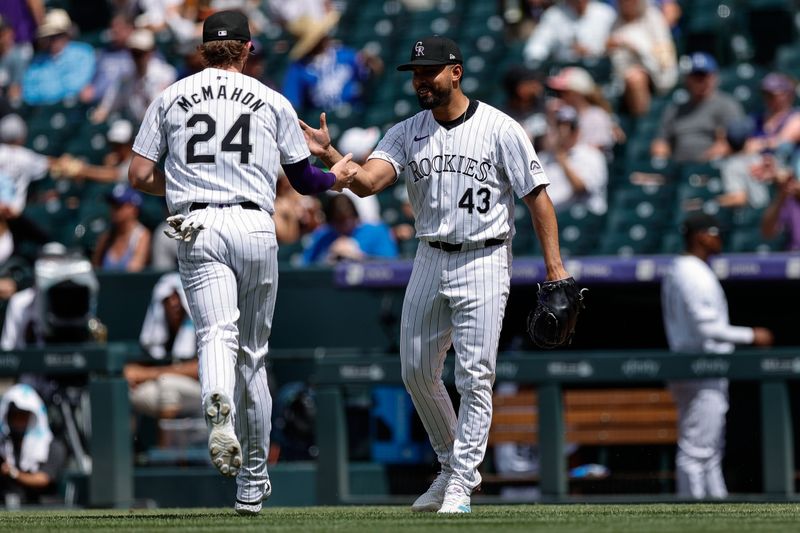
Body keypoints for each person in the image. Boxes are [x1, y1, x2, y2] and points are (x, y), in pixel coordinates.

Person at [300, 35, 571, 513]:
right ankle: (451, 467)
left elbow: (538, 198)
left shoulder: (500, 128)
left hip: (485, 256)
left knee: (474, 375)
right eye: (415, 73)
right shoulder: (407, 131)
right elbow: (366, 184)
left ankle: (462, 483)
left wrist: (555, 269)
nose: (420, 80)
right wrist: (327, 154)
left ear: (456, 72)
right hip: (429, 255)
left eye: (429, 71)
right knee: (415, 370)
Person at [127, 10, 356, 515]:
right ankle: (252, 482)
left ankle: (217, 403)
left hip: (198, 223)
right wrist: (334, 172)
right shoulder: (273, 99)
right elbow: (304, 181)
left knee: (215, 334)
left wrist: (186, 182)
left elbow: (139, 173)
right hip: (255, 225)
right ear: (248, 48)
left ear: (202, 49)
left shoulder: (169, 96)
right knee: (253, 354)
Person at [661, 212, 773, 500]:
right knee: (696, 449)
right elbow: (706, 327)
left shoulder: (685, 269)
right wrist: (752, 335)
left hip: (697, 365)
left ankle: (717, 503)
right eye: (715, 232)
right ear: (700, 236)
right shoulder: (691, 272)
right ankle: (693, 512)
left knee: (708, 447)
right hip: (699, 365)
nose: (719, 237)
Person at [126, 272, 200, 419]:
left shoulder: (199, 330)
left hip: (204, 392)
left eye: (178, 297)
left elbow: (198, 369)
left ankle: (168, 442)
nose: (174, 304)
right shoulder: (157, 334)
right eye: (168, 299)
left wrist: (147, 374)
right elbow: (134, 368)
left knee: (167, 386)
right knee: (129, 391)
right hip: (162, 388)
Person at [281, 11, 383, 114]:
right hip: (323, 119)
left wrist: (370, 62)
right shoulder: (298, 68)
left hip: (354, 110)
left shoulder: (342, 53)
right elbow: (292, 104)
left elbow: (372, 70)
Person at [650, 52, 745, 163]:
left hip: (712, 168)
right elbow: (661, 141)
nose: (701, 81)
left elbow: (733, 144)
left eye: (705, 76)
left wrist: (701, 162)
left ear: (714, 77)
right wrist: (660, 155)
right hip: (678, 170)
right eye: (696, 76)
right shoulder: (675, 109)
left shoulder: (726, 105)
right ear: (688, 79)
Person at [0, 383, 67, 506]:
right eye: (14, 415)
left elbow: (43, 479)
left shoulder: (52, 445)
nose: (18, 421)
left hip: (44, 505)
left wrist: (13, 473)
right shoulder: (4, 445)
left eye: (23, 416)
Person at [607, 0, 678, 116]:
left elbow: (664, 60)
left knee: (635, 78)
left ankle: (642, 126)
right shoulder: (614, 23)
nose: (627, 3)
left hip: (654, 74)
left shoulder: (654, 19)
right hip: (618, 76)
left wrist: (634, 46)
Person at [538, 105, 608, 216]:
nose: (563, 132)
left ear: (578, 130)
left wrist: (562, 160)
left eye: (570, 127)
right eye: (559, 126)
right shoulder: (542, 158)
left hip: (585, 217)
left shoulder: (593, 156)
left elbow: (581, 189)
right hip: (554, 217)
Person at [21, 9, 96, 106]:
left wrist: (49, 91)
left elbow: (80, 83)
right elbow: (28, 93)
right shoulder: (37, 62)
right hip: (44, 111)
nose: (53, 40)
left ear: (67, 34)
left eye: (57, 35)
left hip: (75, 108)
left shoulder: (83, 53)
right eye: (49, 37)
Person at [545, 66, 620, 157]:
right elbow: (550, 147)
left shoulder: (597, 116)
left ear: (577, 93)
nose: (560, 96)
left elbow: (594, 155)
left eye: (564, 92)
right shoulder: (563, 115)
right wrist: (552, 121)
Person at [302, 194, 398, 264]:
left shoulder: (377, 231)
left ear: (356, 217)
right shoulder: (323, 235)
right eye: (338, 221)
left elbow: (392, 264)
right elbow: (306, 266)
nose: (344, 225)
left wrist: (358, 256)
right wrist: (328, 257)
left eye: (347, 219)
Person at [522, 0, 616, 64]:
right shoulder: (554, 15)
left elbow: (614, 45)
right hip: (564, 73)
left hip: (598, 71)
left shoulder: (606, 13)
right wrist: (536, 60)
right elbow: (538, 44)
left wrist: (592, 51)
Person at [91, 184, 151, 272]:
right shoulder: (106, 237)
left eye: (119, 205)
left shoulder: (142, 236)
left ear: (133, 209)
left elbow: (134, 271)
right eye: (112, 205)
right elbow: (95, 269)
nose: (113, 209)